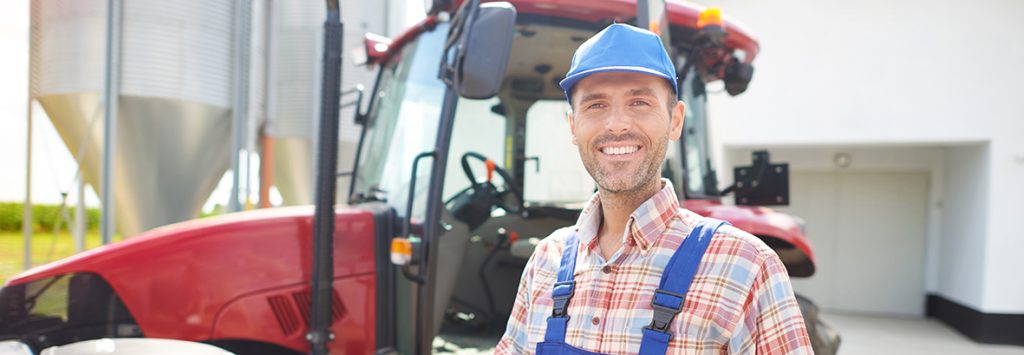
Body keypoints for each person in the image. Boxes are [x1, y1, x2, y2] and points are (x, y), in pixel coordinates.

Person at [495, 23, 812, 354]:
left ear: (675, 121)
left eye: (639, 102)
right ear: (573, 126)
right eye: (596, 105)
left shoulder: (746, 266)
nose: (616, 123)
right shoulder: (546, 260)